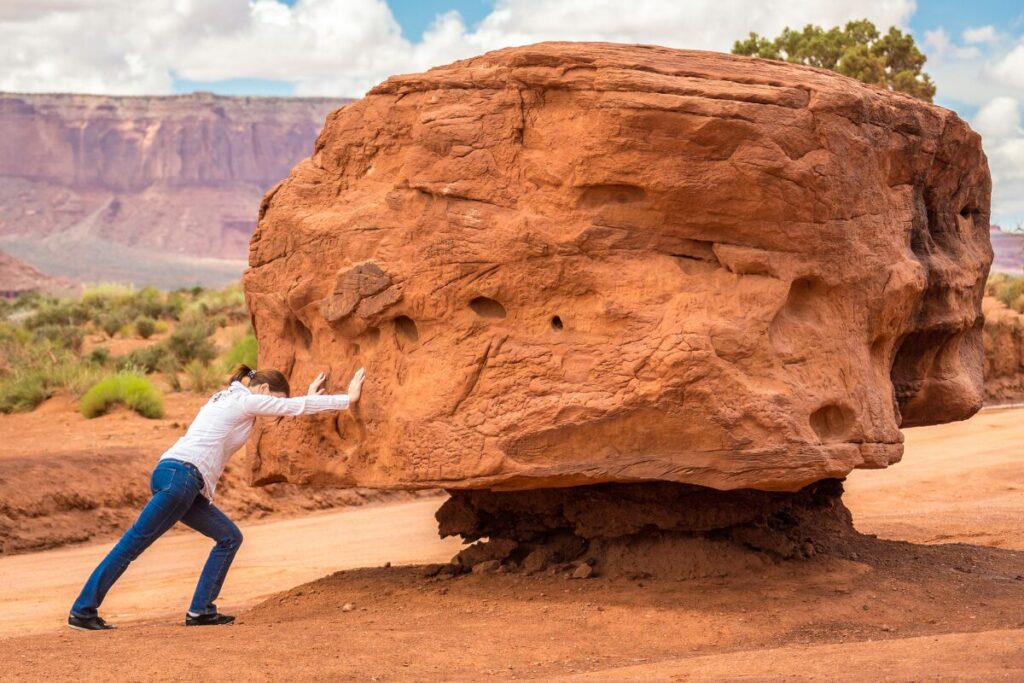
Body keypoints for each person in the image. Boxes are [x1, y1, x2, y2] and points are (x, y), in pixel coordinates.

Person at [67, 364, 365, 631]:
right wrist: (346, 399)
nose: (275, 405)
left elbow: (284, 411)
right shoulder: (245, 400)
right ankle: (83, 611)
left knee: (228, 537)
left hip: (178, 478)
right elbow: (290, 408)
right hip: (181, 478)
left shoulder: (229, 398)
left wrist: (306, 397)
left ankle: (201, 611)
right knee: (131, 545)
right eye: (275, 399)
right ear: (263, 390)